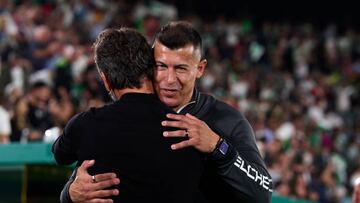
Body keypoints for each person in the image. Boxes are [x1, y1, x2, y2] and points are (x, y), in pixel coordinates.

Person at [60, 21, 272, 203]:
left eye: (180, 68)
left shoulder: (225, 120)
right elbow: (89, 170)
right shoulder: (127, 114)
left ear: (200, 69)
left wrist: (218, 146)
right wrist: (70, 193)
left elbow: (263, 193)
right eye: (161, 66)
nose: (169, 80)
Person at [52, 27, 205, 203]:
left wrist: (68, 193)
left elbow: (60, 154)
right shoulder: (190, 131)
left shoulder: (85, 125)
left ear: (107, 81)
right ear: (151, 70)